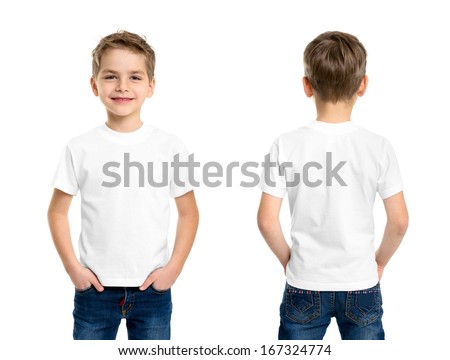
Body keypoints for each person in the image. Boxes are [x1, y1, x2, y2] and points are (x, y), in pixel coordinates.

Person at [47, 30, 199, 340]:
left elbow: (189, 213)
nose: (122, 87)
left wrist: (173, 269)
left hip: (152, 291)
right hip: (94, 291)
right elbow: (57, 212)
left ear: (151, 86)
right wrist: (73, 269)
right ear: (94, 85)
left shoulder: (170, 146)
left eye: (135, 77)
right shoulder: (80, 147)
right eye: (111, 76)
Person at [257, 31, 408, 340]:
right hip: (361, 284)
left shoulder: (286, 144)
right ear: (363, 85)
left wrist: (290, 262)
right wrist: (377, 263)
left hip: (305, 285)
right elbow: (400, 221)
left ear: (307, 86)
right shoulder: (378, 147)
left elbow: (266, 219)